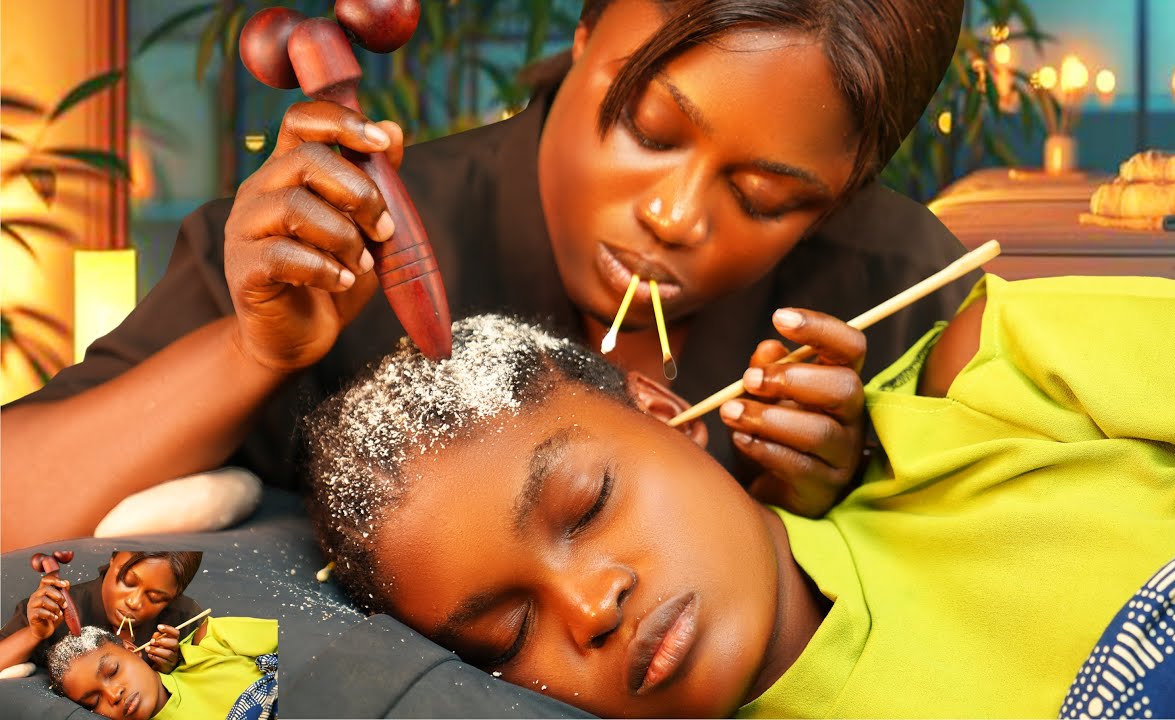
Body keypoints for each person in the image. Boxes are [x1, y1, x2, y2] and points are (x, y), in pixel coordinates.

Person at [1, 0, 974, 549]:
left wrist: (844, 498)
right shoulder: (331, 247)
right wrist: (248, 350)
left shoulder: (894, 286)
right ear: (584, 34)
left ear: (843, 192)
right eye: (646, 128)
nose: (672, 215)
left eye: (765, 195)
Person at [304, 274, 1175, 718]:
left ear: (666, 412)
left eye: (588, 503)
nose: (588, 606)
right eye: (508, 640)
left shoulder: (983, 393)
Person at [0, 551, 204, 674]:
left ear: (176, 595)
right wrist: (34, 634)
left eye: (156, 598)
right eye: (128, 582)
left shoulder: (185, 620)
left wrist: (171, 669)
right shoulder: (54, 609)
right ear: (113, 558)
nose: (133, 602)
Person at [48, 616, 279, 720]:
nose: (113, 695)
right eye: (93, 702)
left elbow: (305, 642)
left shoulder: (208, 644)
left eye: (113, 671)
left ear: (132, 649)